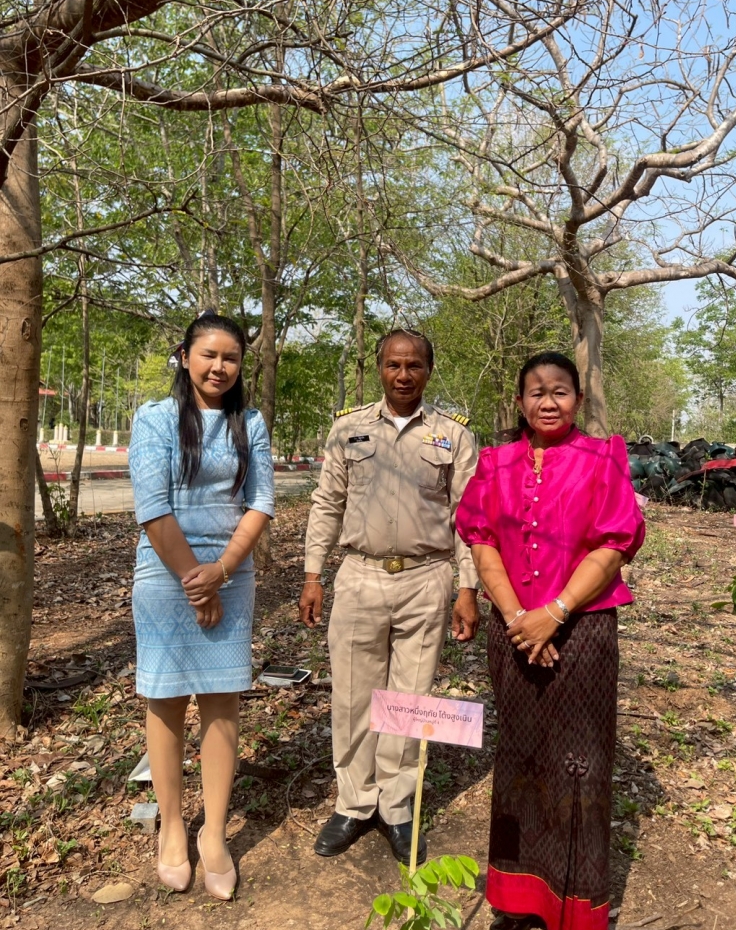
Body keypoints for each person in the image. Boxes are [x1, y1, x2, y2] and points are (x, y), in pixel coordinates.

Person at [455, 352, 645, 930]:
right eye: (535, 392)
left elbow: (613, 545)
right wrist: (520, 620)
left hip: (583, 631)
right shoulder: (495, 462)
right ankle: (517, 897)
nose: (547, 401)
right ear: (519, 401)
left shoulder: (602, 457)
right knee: (520, 759)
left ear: (578, 399)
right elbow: (482, 542)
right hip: (512, 630)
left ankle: (576, 909)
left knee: (579, 766)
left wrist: (555, 614)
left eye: (560, 391)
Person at [299, 328, 480, 865]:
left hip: (427, 578)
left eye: (414, 365)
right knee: (353, 696)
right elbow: (327, 503)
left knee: (409, 698)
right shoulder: (348, 429)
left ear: (429, 370)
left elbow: (467, 517)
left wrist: (467, 587)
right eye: (393, 365)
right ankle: (354, 803)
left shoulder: (453, 436)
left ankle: (398, 807)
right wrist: (313, 573)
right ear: (379, 368)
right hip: (361, 575)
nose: (403, 375)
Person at [129, 312, 274, 900]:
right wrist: (197, 580)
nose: (219, 367)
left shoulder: (251, 422)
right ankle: (171, 827)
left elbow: (260, 502)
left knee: (221, 698)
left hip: (231, 573)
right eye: (208, 354)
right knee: (165, 698)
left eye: (230, 357)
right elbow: (152, 506)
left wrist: (222, 572)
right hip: (166, 573)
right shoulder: (155, 418)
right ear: (185, 356)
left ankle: (213, 832)